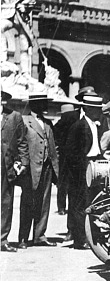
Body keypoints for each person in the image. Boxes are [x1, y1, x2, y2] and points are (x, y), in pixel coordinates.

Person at [18, 93, 59, 248]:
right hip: (31, 168)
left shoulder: (48, 123)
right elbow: (19, 143)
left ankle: (39, 235)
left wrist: (56, 167)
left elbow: (54, 146)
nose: (45, 106)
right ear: (34, 104)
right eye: (42, 103)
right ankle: (23, 237)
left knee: (44, 202)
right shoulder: (24, 121)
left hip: (47, 168)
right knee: (28, 202)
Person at [64, 94, 105, 249]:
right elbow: (71, 152)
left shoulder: (95, 125)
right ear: (86, 109)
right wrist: (82, 169)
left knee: (91, 202)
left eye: (99, 109)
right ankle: (80, 239)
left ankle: (89, 235)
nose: (98, 112)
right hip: (81, 170)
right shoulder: (79, 126)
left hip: (94, 164)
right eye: (95, 109)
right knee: (79, 204)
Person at [1, 87, 28, 252]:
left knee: (5, 202)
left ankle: (2, 239)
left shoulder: (14, 116)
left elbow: (22, 141)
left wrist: (23, 162)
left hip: (5, 166)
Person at [0, 0, 35, 74]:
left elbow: (30, 1)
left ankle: (25, 71)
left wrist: (24, 6)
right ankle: (2, 58)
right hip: (6, 13)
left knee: (24, 43)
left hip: (20, 17)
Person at [55, 103, 74, 215]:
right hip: (65, 157)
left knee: (63, 183)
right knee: (63, 183)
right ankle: (61, 206)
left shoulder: (59, 125)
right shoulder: (61, 125)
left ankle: (61, 207)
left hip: (64, 157)